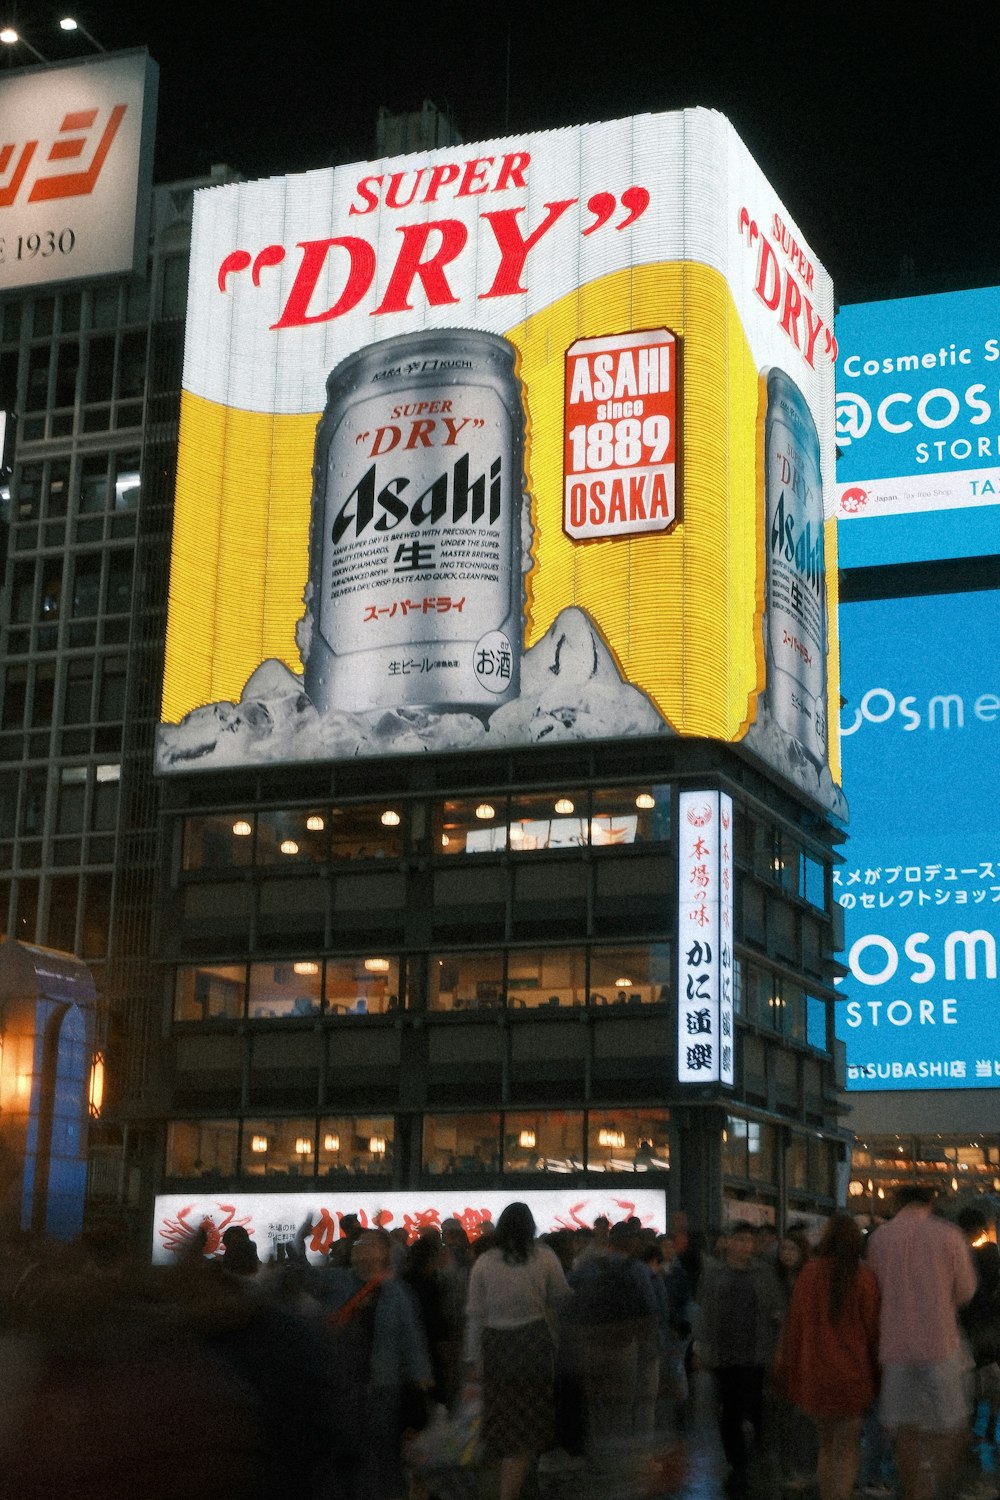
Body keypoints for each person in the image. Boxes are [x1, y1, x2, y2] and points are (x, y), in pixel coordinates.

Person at [867, 1184, 978, 1500]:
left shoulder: (879, 1238)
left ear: (896, 1201)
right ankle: (933, 1483)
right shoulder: (949, 1235)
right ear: (930, 1202)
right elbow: (966, 1290)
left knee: (902, 1424)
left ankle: (914, 1488)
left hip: (895, 1346)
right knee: (951, 1422)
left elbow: (875, 1289)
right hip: (941, 1342)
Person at [464, 1201, 569, 1500]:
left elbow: (475, 1314)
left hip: (496, 1346)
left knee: (504, 1423)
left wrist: (472, 1359)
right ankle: (515, 1488)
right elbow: (562, 1297)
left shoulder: (485, 1262)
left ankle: (508, 1487)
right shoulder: (545, 1258)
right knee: (528, 1424)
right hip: (534, 1345)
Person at [319, 1227, 432, 1500]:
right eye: (358, 1243)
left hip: (384, 1385)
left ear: (385, 1253)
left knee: (384, 1452)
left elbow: (411, 1338)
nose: (361, 1248)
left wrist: (422, 1380)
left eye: (369, 1244)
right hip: (343, 1385)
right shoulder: (335, 1282)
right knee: (346, 1452)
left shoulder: (398, 1293)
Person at [775, 1212, 880, 1500]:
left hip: (816, 1374)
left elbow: (794, 1326)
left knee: (826, 1446)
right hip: (852, 1375)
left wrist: (789, 1371)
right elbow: (873, 1332)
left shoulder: (809, 1273)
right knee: (847, 1449)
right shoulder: (865, 1278)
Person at [698, 1220, 784, 1497]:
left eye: (748, 1240)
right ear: (729, 1242)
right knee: (730, 1407)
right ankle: (737, 1458)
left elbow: (775, 1307)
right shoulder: (713, 1273)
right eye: (739, 1239)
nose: (744, 1245)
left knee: (756, 1404)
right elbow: (706, 1310)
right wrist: (703, 1345)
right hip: (724, 1352)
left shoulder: (763, 1273)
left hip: (756, 1351)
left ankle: (758, 1450)